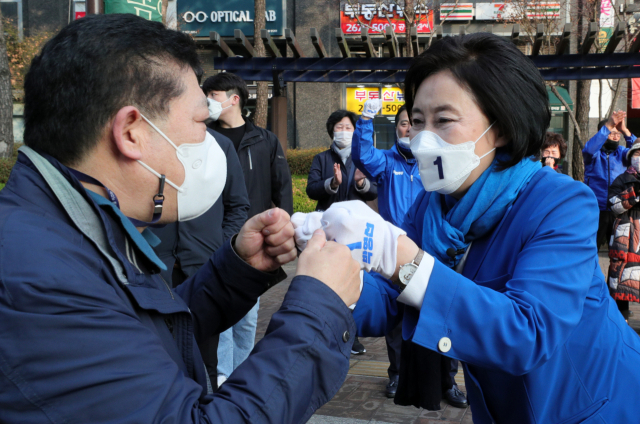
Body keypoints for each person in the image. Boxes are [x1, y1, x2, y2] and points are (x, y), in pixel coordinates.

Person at [0, 14, 363, 423]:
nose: (208, 142)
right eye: (199, 122)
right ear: (132, 132)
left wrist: (236, 270)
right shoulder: (39, 282)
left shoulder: (69, 231)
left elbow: (142, 338)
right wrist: (319, 306)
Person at [294, 33, 640, 423]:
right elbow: (393, 294)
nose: (424, 140)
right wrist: (324, 277)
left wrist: (402, 258)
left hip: (596, 406)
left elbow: (527, 332)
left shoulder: (559, 202)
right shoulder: (433, 204)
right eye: (418, 122)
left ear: (502, 126)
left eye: (443, 120)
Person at [351, 100, 466, 406]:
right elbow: (362, 155)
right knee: (399, 322)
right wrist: (365, 119)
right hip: (396, 255)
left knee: (445, 316)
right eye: (406, 123)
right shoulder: (388, 163)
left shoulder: (433, 164)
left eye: (413, 124)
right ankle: (398, 374)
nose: (409, 129)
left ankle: (448, 382)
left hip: (436, 253)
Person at [204, 72, 294, 386]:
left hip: (254, 245)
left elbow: (282, 189)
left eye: (213, 95)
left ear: (234, 99)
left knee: (246, 316)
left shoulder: (265, 140)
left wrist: (283, 234)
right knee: (219, 312)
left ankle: (239, 375)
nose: (207, 102)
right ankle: (221, 375)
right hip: (215, 238)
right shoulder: (204, 137)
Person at [151, 125, 250, 386]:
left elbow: (238, 204)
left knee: (205, 356)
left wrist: (220, 243)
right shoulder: (148, 139)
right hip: (155, 264)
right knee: (156, 347)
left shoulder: (219, 145)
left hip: (204, 263)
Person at [306, 109, 378, 355]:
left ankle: (352, 335)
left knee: (355, 283)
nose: (344, 132)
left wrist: (361, 183)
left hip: (356, 230)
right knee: (327, 281)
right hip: (329, 230)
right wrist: (332, 184)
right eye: (339, 127)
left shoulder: (363, 159)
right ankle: (325, 332)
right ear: (331, 131)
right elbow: (312, 189)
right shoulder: (322, 159)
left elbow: (375, 191)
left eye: (349, 127)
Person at [583, 111, 636, 250]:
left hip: (618, 207)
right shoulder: (594, 155)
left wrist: (625, 131)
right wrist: (607, 126)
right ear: (603, 134)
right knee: (591, 248)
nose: (615, 137)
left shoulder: (623, 153)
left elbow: (637, 151)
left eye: (617, 134)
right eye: (611, 133)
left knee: (619, 250)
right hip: (596, 208)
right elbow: (588, 150)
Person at [607, 139, 640, 323]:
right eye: (637, 153)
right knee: (621, 281)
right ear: (630, 157)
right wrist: (633, 195)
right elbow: (613, 206)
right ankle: (620, 321)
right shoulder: (621, 180)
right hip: (625, 239)